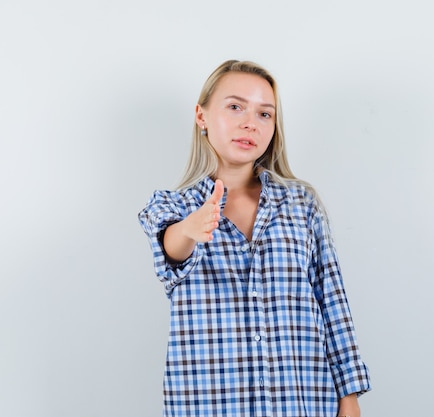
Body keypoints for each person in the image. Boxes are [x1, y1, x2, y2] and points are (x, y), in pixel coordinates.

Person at [138, 60, 371, 417]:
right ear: (201, 116)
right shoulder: (174, 206)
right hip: (210, 402)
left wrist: (350, 397)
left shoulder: (300, 203)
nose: (250, 123)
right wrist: (189, 228)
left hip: (303, 400)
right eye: (235, 107)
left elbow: (332, 301)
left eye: (265, 114)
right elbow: (172, 252)